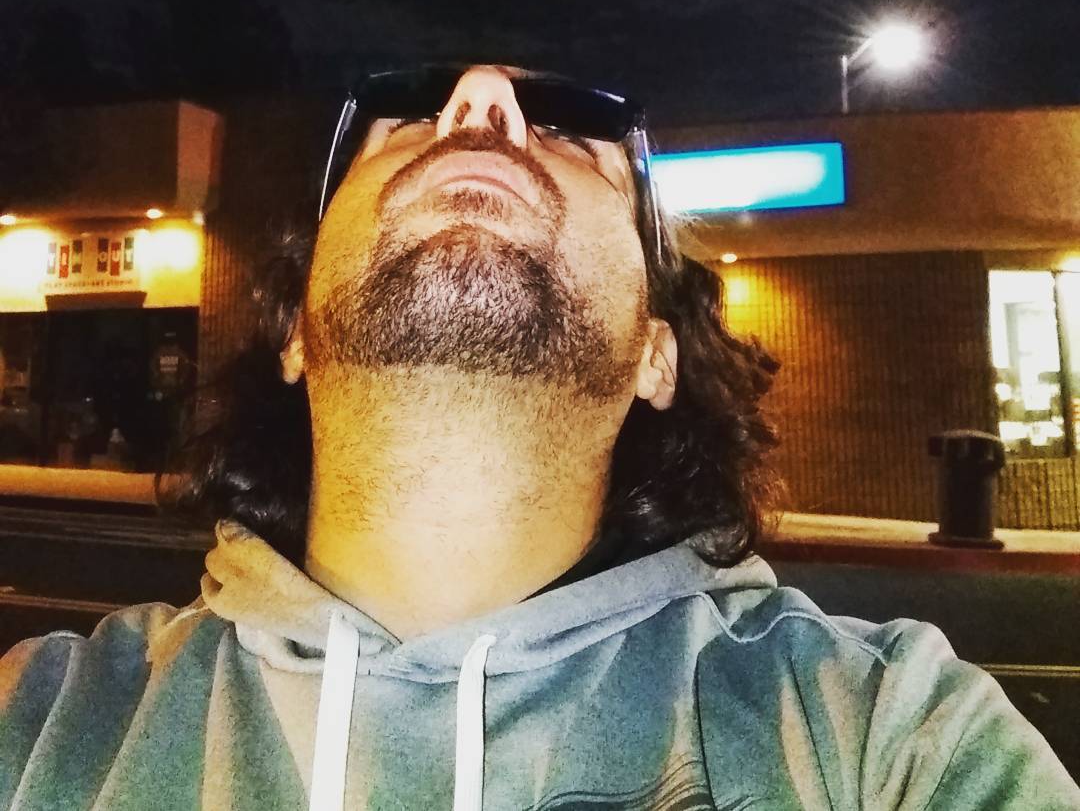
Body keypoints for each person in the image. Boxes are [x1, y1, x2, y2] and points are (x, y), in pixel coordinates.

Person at [0, 62, 1077, 810]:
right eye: (406, 125)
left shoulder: (880, 735)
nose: (481, 100)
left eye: (566, 133)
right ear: (296, 336)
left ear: (656, 355)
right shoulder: (41, 719)